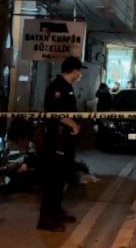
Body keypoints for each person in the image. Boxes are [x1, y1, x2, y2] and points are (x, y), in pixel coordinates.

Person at [37, 56, 84, 232]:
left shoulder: (66, 87)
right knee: (53, 180)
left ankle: (56, 212)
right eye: (79, 71)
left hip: (65, 141)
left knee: (61, 178)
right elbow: (57, 113)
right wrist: (73, 125)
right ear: (74, 71)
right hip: (57, 140)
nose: (80, 75)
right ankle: (46, 219)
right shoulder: (57, 87)